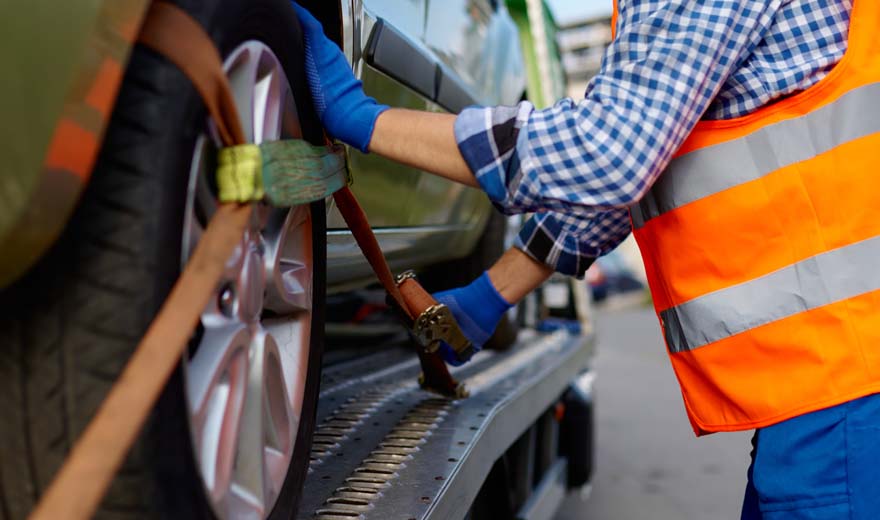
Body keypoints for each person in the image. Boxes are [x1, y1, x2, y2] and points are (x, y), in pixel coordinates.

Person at [293, 1, 880, 517]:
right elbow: (644, 168)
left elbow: (608, 153)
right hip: (835, 385)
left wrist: (365, 118)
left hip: (846, 392)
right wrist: (487, 298)